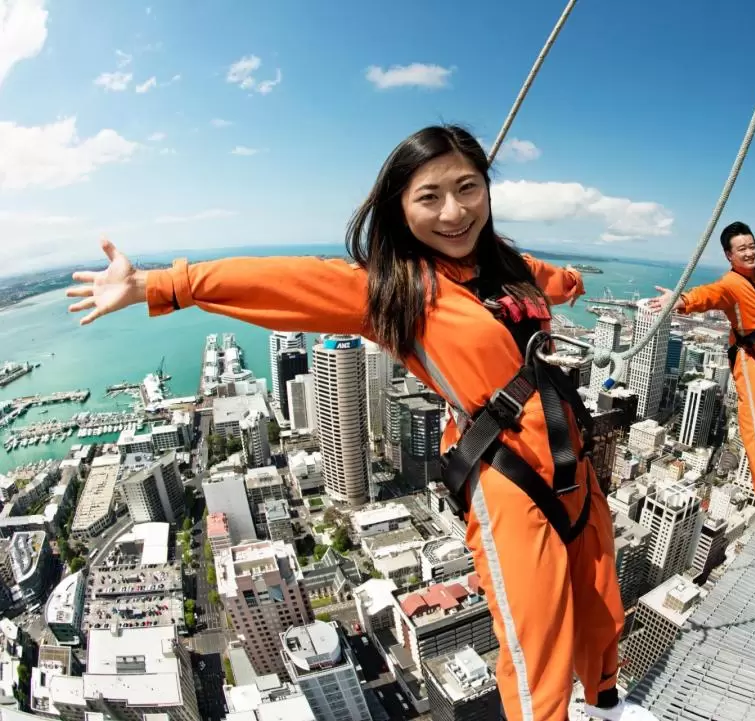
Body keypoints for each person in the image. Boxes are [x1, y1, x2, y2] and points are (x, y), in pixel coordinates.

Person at [67, 125, 656, 721]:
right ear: (399, 208)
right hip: (506, 477)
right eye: (429, 197)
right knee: (535, 635)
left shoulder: (511, 266)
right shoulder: (397, 289)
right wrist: (160, 284)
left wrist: (581, 284)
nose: (453, 211)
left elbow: (555, 282)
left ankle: (607, 704)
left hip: (571, 461)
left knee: (601, 594)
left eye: (468, 188)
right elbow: (285, 282)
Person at [648, 221, 755, 509]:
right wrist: (681, 300)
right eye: (742, 249)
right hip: (749, 358)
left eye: (751, 246)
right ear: (729, 255)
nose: (749, 252)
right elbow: (708, 295)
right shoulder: (731, 285)